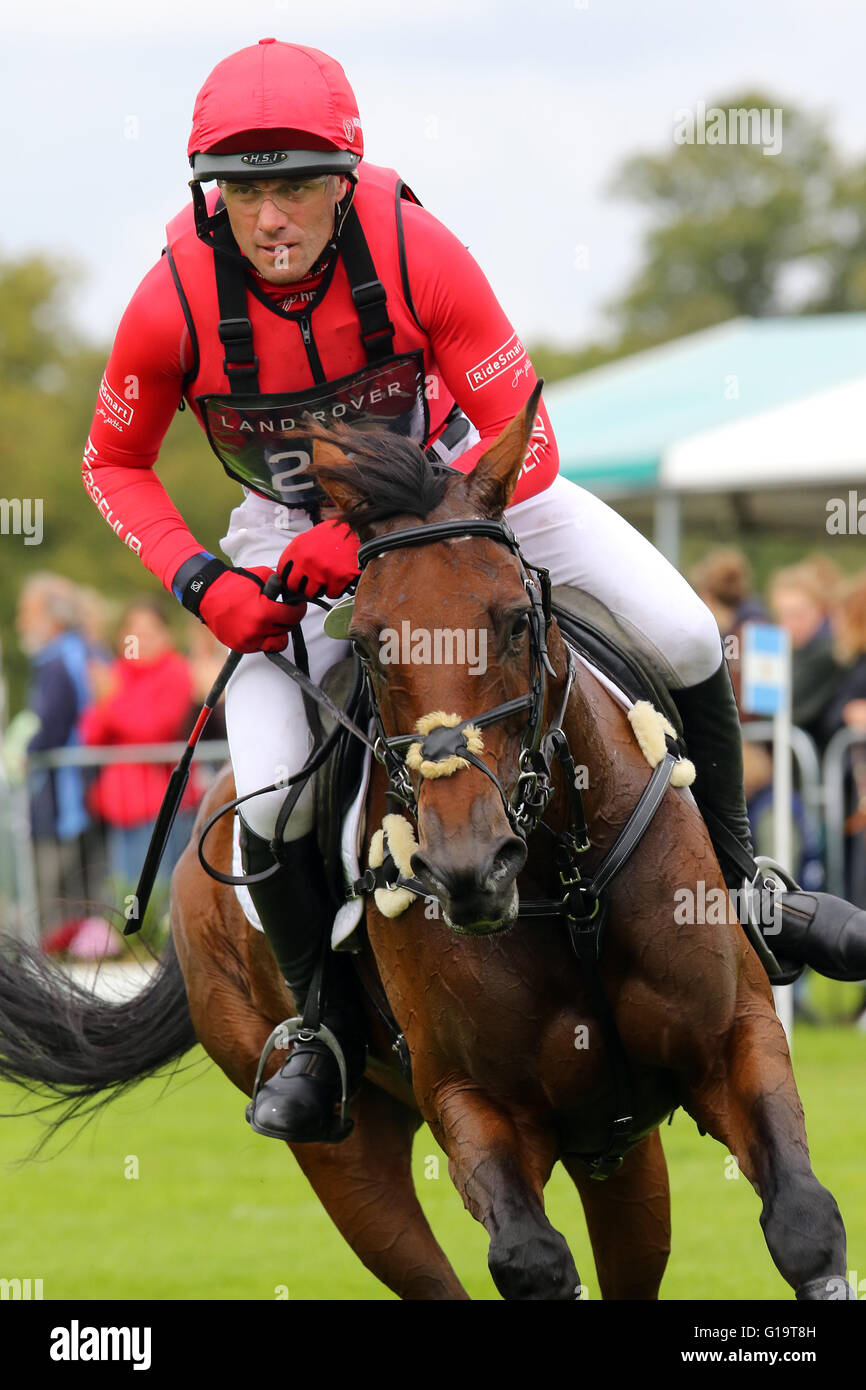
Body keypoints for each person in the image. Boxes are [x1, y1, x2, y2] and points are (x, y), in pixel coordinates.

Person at [80, 39, 866, 1143]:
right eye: (243, 188)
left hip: (467, 496)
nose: (270, 215)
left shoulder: (415, 248)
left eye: (296, 182)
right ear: (211, 196)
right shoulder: (169, 302)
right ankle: (322, 1033)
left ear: (344, 179)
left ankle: (751, 895)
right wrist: (205, 581)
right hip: (279, 538)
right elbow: (108, 464)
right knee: (269, 801)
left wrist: (362, 543)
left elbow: (525, 442)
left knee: (687, 633)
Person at [79, 599, 201, 888]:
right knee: (125, 892)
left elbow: (156, 730)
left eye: (149, 631)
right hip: (122, 807)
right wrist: (110, 703)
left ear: (166, 636)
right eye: (133, 632)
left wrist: (111, 702)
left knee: (158, 894)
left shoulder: (175, 671)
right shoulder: (118, 672)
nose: (140, 640)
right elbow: (91, 735)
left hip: (163, 807)